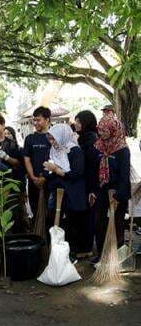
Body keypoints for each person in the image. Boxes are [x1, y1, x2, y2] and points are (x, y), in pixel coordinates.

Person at [42, 124, 87, 260]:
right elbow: (49, 173)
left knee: (72, 223)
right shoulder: (54, 151)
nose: (52, 142)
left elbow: (76, 174)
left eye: (54, 139)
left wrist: (56, 170)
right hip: (57, 191)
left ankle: (72, 253)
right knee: (55, 221)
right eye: (50, 139)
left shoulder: (75, 151)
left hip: (72, 193)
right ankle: (56, 252)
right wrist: (50, 171)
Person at [90, 116, 131, 263]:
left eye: (105, 130)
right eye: (100, 130)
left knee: (118, 223)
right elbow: (95, 171)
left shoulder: (122, 150)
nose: (101, 133)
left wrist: (118, 196)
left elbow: (124, 175)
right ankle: (102, 253)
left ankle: (118, 255)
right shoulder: (99, 146)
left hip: (118, 191)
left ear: (114, 130)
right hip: (102, 190)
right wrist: (94, 190)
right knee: (98, 222)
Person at [74, 110, 99, 258]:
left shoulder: (90, 139)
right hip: (83, 183)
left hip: (89, 183)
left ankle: (87, 247)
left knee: (88, 216)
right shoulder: (83, 137)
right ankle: (84, 246)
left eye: (78, 122)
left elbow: (91, 166)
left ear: (86, 123)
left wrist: (92, 189)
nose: (76, 124)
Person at [23, 106, 52, 219]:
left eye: (38, 120)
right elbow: (27, 159)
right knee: (35, 210)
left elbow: (55, 159)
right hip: (33, 181)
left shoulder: (53, 137)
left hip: (50, 181)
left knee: (50, 212)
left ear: (47, 120)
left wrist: (45, 177)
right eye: (34, 120)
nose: (35, 123)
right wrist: (33, 177)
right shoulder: (30, 138)